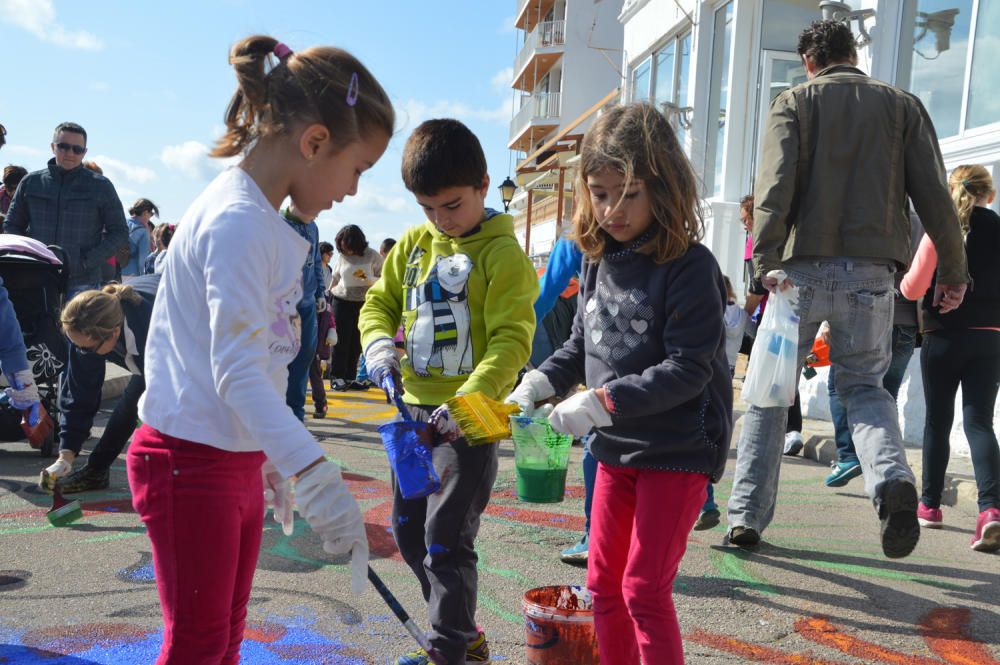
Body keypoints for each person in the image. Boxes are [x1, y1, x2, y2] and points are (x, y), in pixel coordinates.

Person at [129, 36, 394, 664]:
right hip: (188, 461)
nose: (352, 192)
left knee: (225, 634)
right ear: (314, 142)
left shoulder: (259, 217)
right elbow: (239, 373)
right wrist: (312, 469)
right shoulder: (238, 220)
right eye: (357, 169)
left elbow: (263, 358)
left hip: (230, 460)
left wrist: (269, 457)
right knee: (198, 642)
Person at [728, 19, 969, 560]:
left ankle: (746, 515)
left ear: (809, 62)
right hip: (871, 274)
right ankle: (889, 481)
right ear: (853, 54)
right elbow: (934, 194)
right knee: (864, 389)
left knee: (769, 394)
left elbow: (773, 190)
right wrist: (953, 269)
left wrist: (762, 261)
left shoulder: (794, 102)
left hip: (799, 273)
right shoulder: (901, 106)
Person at [510, 103, 731, 665]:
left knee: (644, 590)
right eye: (600, 193)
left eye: (628, 194)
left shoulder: (691, 265)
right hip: (615, 449)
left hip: (677, 448)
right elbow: (582, 346)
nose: (612, 209)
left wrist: (603, 402)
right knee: (603, 587)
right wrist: (537, 382)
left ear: (664, 186)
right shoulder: (596, 259)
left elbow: (690, 368)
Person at [361, 118, 537, 665]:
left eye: (452, 206)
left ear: (485, 186)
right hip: (412, 413)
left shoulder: (503, 255)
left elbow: (512, 340)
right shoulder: (413, 245)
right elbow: (377, 305)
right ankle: (463, 633)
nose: (441, 220)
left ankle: (448, 649)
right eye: (428, 208)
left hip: (475, 414)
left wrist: (471, 399)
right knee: (408, 532)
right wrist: (377, 347)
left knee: (446, 535)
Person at [900, 165, 1000, 553]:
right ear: (987, 194)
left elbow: (912, 289)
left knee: (938, 421)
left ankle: (930, 505)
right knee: (979, 423)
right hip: (990, 338)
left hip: (942, 336)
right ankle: (990, 510)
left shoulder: (939, 230)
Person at [825, 211, 923, 488]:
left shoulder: (868, 213)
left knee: (839, 385)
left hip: (868, 314)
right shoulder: (920, 221)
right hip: (906, 321)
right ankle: (887, 470)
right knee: (884, 397)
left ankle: (848, 455)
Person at [38, 277, 160, 493]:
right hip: (145, 348)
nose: (81, 353)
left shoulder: (155, 328)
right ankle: (96, 472)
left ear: (114, 333)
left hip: (201, 341)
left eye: (87, 348)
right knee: (130, 405)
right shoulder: (88, 334)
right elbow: (79, 395)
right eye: (76, 346)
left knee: (140, 405)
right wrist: (65, 456)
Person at [4, 122, 129, 297]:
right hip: (36, 279)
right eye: (63, 146)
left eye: (77, 149)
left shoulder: (101, 186)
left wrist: (87, 260)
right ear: (53, 147)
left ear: (84, 152)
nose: (70, 153)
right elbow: (12, 225)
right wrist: (29, 254)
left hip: (83, 283)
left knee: (79, 325)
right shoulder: (30, 183)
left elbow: (120, 232)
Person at [693, 275, 747, 532]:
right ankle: (705, 503)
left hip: (703, 375)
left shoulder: (707, 312)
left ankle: (704, 503)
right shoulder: (740, 314)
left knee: (693, 440)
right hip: (727, 375)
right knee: (709, 438)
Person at [282, 204, 326, 421]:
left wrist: (321, 292)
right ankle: (279, 411)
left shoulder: (314, 227)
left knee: (306, 356)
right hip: (282, 304)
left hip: (307, 302)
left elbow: (316, 261)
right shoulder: (277, 224)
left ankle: (296, 413)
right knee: (281, 356)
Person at [327, 223, 382, 391]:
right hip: (341, 300)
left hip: (364, 302)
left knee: (356, 341)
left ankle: (350, 378)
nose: (346, 251)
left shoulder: (372, 255)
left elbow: (383, 277)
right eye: (342, 247)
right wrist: (328, 293)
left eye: (348, 247)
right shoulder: (342, 256)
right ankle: (337, 377)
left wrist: (369, 280)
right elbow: (336, 277)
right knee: (340, 340)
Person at [354, 236, 397, 388]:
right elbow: (376, 283)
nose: (393, 255)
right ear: (382, 252)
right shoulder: (379, 263)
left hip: (387, 309)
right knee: (373, 343)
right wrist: (365, 277)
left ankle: (368, 374)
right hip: (373, 307)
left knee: (384, 343)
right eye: (390, 252)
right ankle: (364, 375)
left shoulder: (393, 264)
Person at [122, 198, 158, 278]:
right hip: (133, 273)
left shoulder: (123, 222)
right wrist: (144, 277)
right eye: (151, 213)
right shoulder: (143, 232)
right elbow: (143, 260)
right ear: (145, 212)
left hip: (117, 271)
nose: (150, 217)